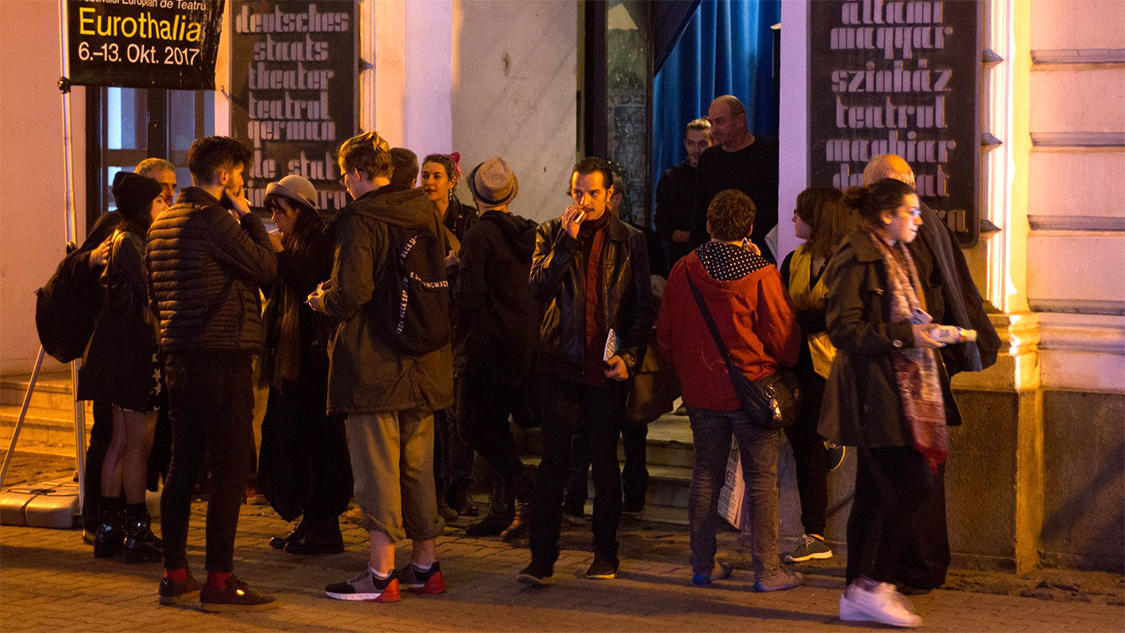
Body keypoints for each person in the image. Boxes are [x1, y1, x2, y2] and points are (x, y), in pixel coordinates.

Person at [309, 131, 451, 603]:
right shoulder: (424, 208)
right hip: (426, 358)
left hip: (375, 362)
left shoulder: (360, 218)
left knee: (376, 470)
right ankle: (426, 567)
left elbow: (353, 292)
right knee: (417, 468)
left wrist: (321, 299)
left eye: (344, 175)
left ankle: (380, 574)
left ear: (354, 173)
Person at [818, 179, 959, 628]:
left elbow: (899, 315)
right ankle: (872, 586)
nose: (919, 219)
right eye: (911, 211)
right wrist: (904, 335)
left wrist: (926, 330)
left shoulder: (896, 253)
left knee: (882, 493)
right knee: (913, 485)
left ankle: (860, 591)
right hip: (872, 394)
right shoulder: (856, 253)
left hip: (898, 391)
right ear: (886, 215)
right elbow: (842, 328)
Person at [147, 136, 278, 610]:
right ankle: (219, 581)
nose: (243, 182)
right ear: (223, 175)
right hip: (221, 357)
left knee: (182, 468)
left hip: (178, 357)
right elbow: (265, 266)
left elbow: (154, 296)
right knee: (229, 471)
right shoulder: (214, 219)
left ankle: (174, 573)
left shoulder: (162, 225)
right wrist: (249, 215)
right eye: (239, 174)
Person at [862, 154, 1000, 593]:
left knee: (908, 473)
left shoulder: (902, 238)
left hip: (909, 373)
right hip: (918, 369)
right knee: (906, 472)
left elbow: (916, 302)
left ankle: (905, 569)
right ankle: (895, 569)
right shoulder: (925, 229)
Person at [657, 189, 803, 591]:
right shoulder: (761, 273)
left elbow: (666, 335)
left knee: (705, 475)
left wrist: (689, 371)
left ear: (707, 225)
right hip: (752, 392)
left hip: (702, 394)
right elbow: (784, 340)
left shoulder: (684, 269)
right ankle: (768, 571)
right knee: (761, 481)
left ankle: (702, 565)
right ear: (750, 229)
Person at [518, 157, 653, 586]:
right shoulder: (549, 233)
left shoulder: (630, 240)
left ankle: (605, 554)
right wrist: (566, 241)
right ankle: (542, 560)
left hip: (605, 371)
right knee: (553, 465)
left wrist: (629, 359)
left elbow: (639, 310)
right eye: (578, 193)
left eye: (594, 193)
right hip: (560, 366)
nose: (585, 201)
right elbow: (538, 287)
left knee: (604, 465)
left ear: (610, 195)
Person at [256, 175, 352, 556]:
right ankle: (310, 521)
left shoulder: (320, 243)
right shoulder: (295, 242)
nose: (277, 219)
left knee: (318, 444)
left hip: (314, 361)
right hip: (291, 362)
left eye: (282, 211)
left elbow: (303, 280)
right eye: (274, 212)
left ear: (302, 212)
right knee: (289, 441)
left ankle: (323, 525)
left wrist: (278, 255)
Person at [78, 172, 167, 564]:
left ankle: (110, 527)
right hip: (133, 352)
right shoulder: (132, 243)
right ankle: (137, 528)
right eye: (160, 201)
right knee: (136, 444)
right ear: (143, 207)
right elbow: (154, 293)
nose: (165, 207)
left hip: (114, 350)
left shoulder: (119, 239)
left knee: (117, 441)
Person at [453, 157, 540, 540]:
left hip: (487, 345)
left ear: (474, 196)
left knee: (472, 423)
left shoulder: (478, 236)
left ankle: (526, 486)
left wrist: (455, 269)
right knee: (497, 426)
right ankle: (502, 510)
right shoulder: (531, 232)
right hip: (523, 342)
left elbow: (469, 297)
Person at [777, 187, 857, 563]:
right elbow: (779, 310)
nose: (793, 219)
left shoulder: (847, 261)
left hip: (831, 366)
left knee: (806, 439)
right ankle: (815, 533)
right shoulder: (793, 259)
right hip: (795, 364)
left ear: (818, 219)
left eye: (799, 213)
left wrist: (802, 318)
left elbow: (836, 315)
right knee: (800, 441)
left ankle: (815, 534)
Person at [421, 152, 479, 520]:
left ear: (451, 181)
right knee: (437, 413)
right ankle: (438, 490)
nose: (428, 182)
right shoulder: (414, 217)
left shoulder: (467, 220)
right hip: (427, 318)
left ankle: (460, 487)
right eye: (424, 175)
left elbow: (471, 265)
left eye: (436, 176)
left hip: (458, 321)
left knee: (459, 412)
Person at [691, 96, 779, 260]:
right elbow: (700, 213)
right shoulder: (708, 159)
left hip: (764, 254)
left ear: (740, 121)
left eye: (720, 122)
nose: (714, 129)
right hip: (717, 256)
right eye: (711, 123)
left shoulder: (771, 153)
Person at [655, 118, 711, 266]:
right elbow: (663, 226)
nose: (696, 150)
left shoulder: (719, 177)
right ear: (685, 143)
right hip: (680, 259)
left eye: (703, 144)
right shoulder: (671, 178)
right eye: (691, 144)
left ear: (713, 143)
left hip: (714, 258)